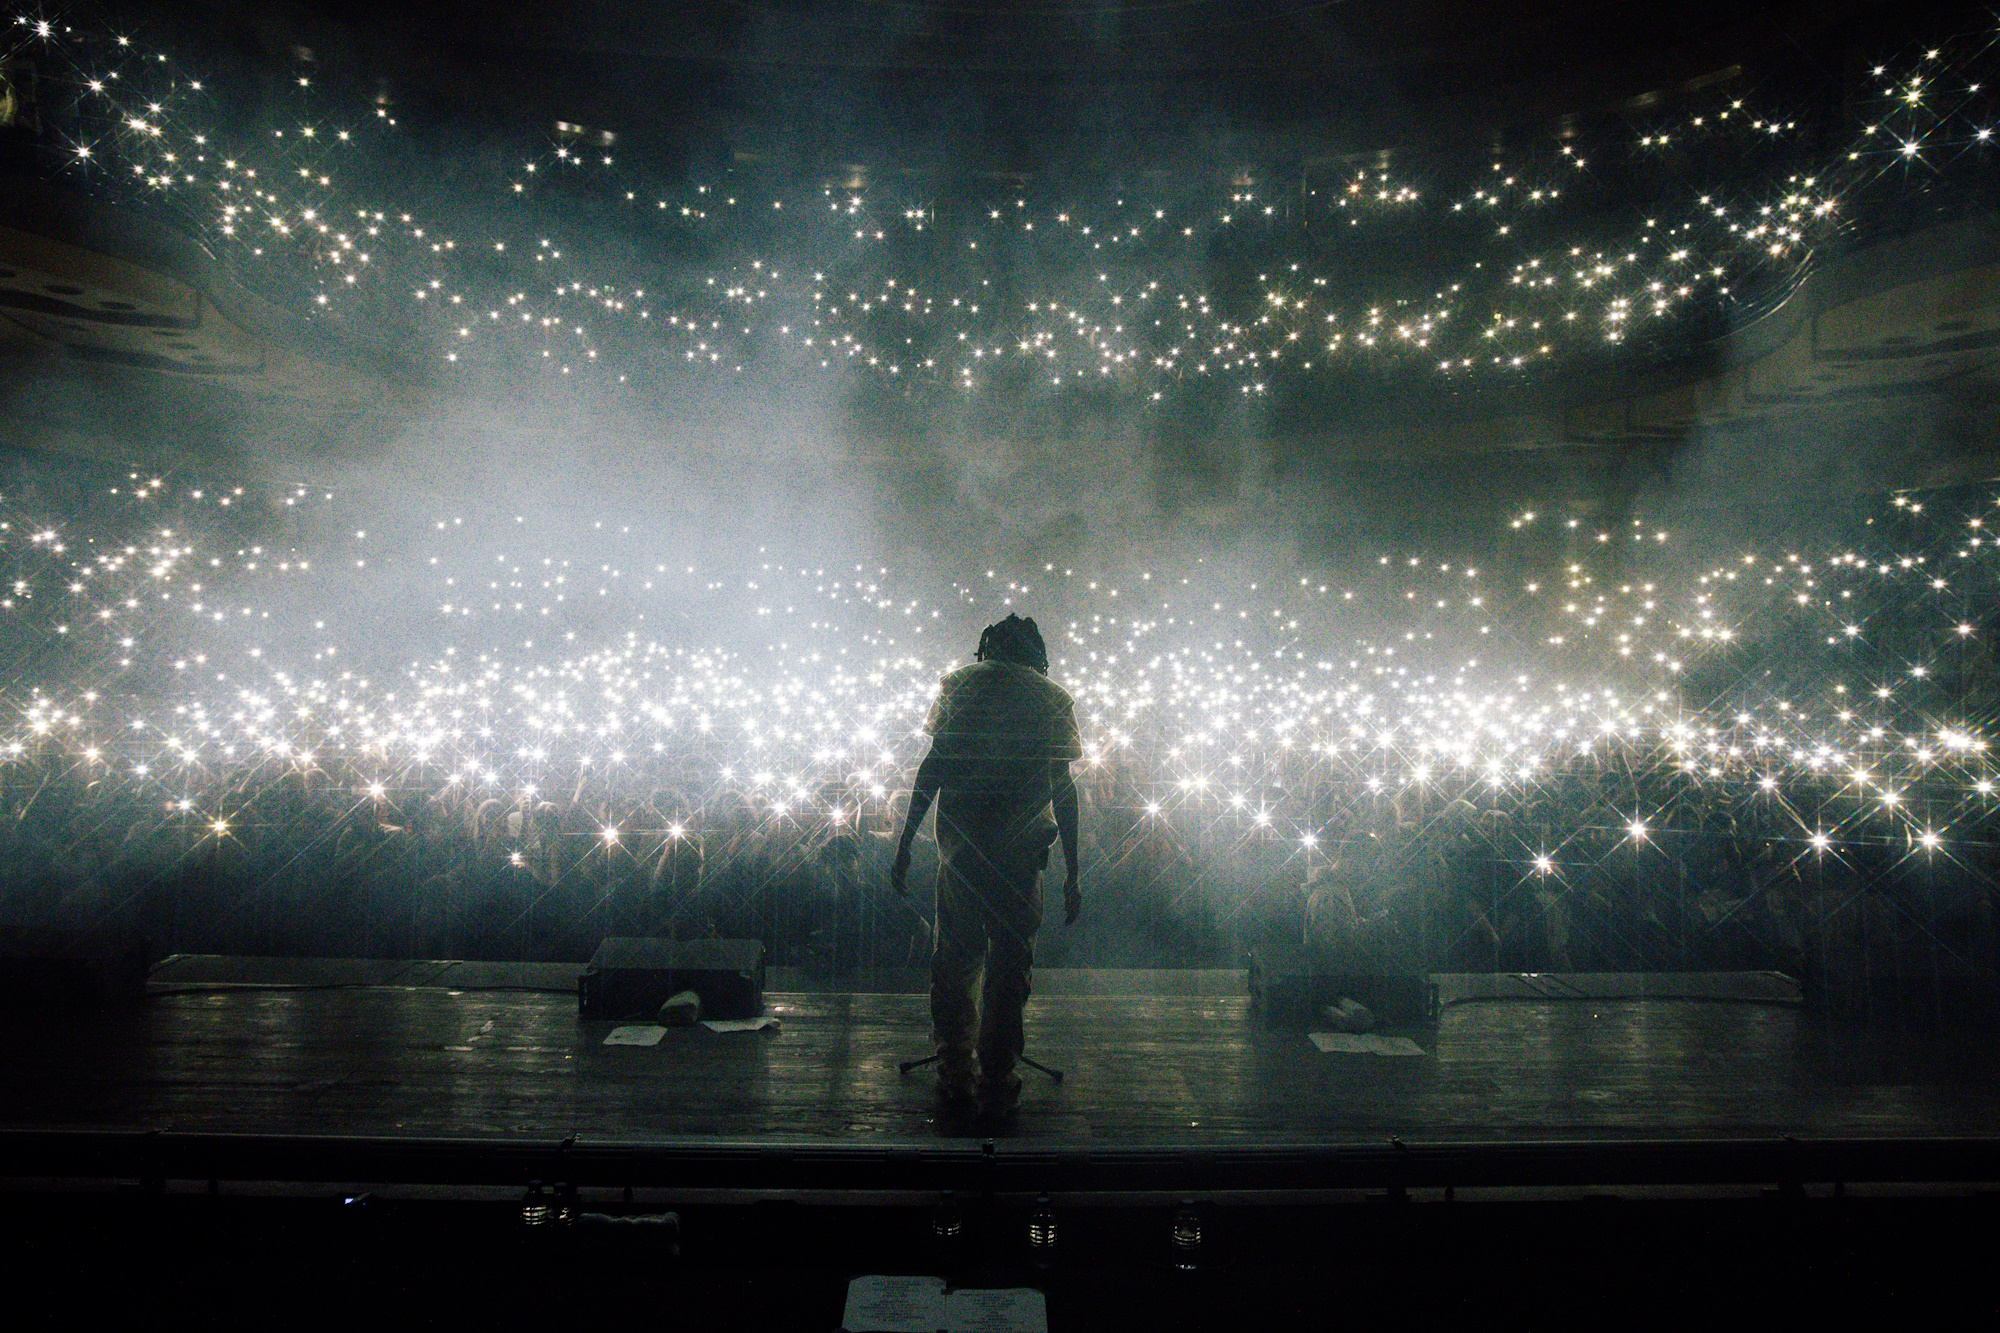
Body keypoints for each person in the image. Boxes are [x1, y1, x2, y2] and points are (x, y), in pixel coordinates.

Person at [892, 614, 1082, 1118]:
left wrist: (906, 841)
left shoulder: (959, 687)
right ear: (1035, 652)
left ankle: (956, 1070)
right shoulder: (1051, 699)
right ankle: (998, 1072)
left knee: (955, 962)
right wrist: (1074, 869)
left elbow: (933, 768)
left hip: (962, 849)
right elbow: (1063, 788)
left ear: (988, 647)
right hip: (1021, 856)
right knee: (1009, 964)